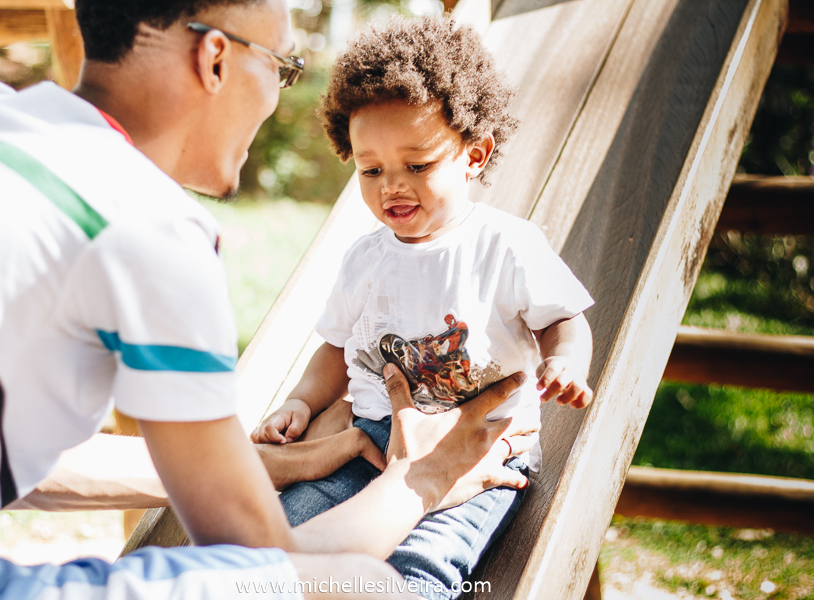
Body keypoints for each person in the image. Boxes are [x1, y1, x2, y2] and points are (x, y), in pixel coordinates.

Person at [0, 1, 540, 598]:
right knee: (367, 588)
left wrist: (270, 466)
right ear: (216, 57)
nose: (279, 95)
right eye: (282, 65)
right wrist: (425, 478)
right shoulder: (151, 228)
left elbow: (16, 454)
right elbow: (264, 567)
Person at [250, 16, 595, 600]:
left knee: (418, 567)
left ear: (474, 155)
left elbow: (565, 320)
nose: (393, 187)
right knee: (275, 540)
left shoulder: (505, 244)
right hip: (367, 442)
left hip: (475, 453)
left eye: (418, 165)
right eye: (372, 170)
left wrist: (566, 365)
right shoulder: (364, 256)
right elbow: (335, 347)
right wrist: (301, 403)